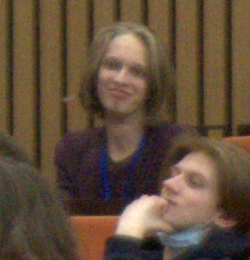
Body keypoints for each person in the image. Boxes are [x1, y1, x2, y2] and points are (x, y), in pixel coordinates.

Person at [95, 130, 250, 260]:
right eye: (175, 174)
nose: (168, 183)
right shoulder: (147, 258)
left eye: (194, 182)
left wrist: (128, 234)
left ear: (226, 216)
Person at [58, 21, 197, 212]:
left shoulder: (178, 145)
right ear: (95, 73)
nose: (120, 79)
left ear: (153, 85)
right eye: (112, 65)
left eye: (137, 72)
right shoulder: (72, 151)